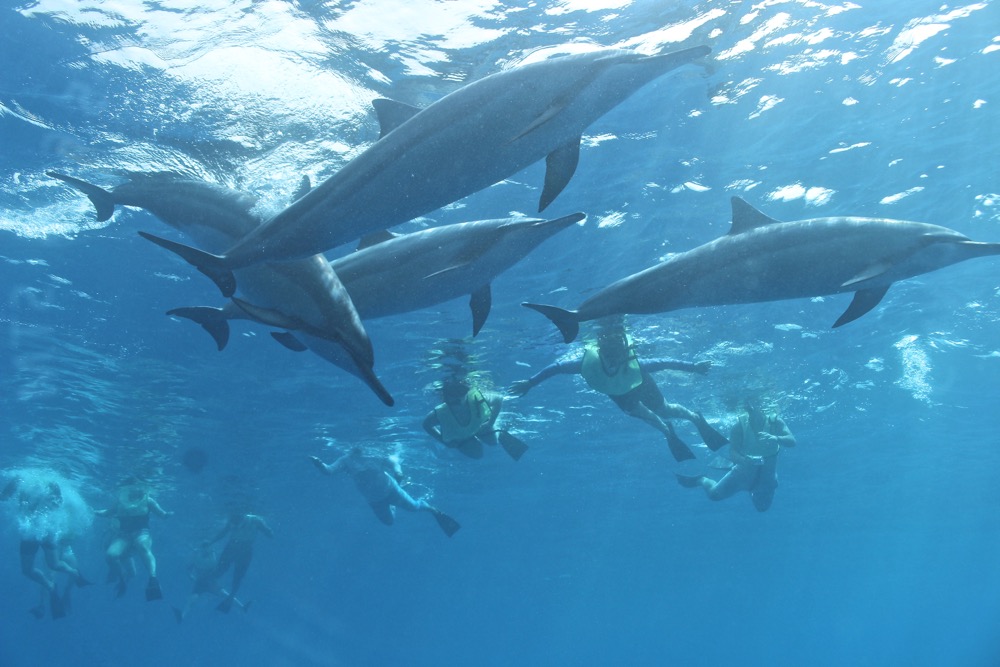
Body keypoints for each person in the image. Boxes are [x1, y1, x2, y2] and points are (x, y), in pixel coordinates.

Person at [509, 322, 726, 461]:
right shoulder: (586, 363)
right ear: (601, 352)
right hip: (619, 393)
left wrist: (693, 367)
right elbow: (556, 368)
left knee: (664, 409)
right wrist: (530, 382)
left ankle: (694, 418)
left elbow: (664, 362)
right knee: (649, 416)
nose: (614, 361)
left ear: (625, 353)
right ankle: (667, 431)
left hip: (640, 383)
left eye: (618, 356)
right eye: (610, 357)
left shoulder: (635, 363)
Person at [310, 448, 460, 537]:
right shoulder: (345, 460)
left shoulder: (373, 453)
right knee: (389, 522)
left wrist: (397, 471)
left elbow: (393, 461)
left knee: (414, 507)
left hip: (392, 490)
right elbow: (329, 471)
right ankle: (393, 505)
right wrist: (320, 464)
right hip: (374, 500)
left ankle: (431, 508)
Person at [1, 473, 92, 619]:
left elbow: (58, 505)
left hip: (47, 529)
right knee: (27, 570)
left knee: (54, 565)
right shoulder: (19, 480)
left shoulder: (51, 484)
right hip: (29, 531)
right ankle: (51, 586)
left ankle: (75, 573)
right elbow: (4, 497)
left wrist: (44, 504)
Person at [676, 401, 796, 512]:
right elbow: (733, 453)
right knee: (714, 495)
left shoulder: (775, 422)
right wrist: (743, 460)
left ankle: (733, 470)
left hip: (764, 477)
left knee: (762, 507)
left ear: (763, 408)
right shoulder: (739, 427)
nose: (753, 409)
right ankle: (702, 479)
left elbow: (792, 441)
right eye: (750, 408)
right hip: (743, 472)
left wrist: (776, 438)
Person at [94, 477, 171, 601]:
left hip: (142, 532)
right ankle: (121, 578)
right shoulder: (120, 501)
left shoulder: (148, 500)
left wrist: (167, 515)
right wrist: (96, 512)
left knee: (142, 546)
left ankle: (153, 578)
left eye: (136, 487)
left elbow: (161, 513)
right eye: (130, 487)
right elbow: (108, 512)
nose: (133, 489)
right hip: (123, 535)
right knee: (110, 555)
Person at [422, 376, 528, 460]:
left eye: (460, 391)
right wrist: (443, 441)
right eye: (452, 394)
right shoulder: (440, 412)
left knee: (493, 442)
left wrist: (491, 423)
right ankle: (479, 436)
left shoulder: (475, 399)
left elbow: (498, 399)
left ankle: (497, 429)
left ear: (466, 392)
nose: (456, 397)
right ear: (445, 396)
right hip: (462, 435)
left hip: (480, 426)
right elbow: (426, 424)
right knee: (477, 455)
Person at [204, 510, 273, 612]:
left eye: (239, 525)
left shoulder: (255, 520)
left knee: (238, 576)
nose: (236, 527)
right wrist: (211, 542)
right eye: (234, 526)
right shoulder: (233, 518)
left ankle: (229, 598)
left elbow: (268, 532)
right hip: (232, 547)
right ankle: (208, 584)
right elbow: (223, 532)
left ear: (243, 517)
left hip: (245, 550)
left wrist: (268, 531)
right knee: (220, 569)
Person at [172, 544, 250, 623]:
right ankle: (182, 615)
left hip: (210, 583)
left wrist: (192, 575)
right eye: (203, 547)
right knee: (192, 600)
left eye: (206, 547)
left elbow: (215, 569)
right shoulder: (199, 556)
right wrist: (190, 575)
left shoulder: (212, 557)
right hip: (202, 583)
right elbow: (190, 568)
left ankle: (243, 607)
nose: (205, 550)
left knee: (225, 595)